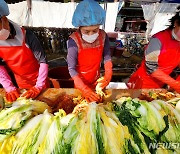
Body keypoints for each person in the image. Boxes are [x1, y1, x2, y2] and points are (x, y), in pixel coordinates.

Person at [0, 0, 49, 102]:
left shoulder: (26, 35)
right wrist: (9, 86)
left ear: (4, 19)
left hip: (39, 77)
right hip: (21, 80)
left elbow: (43, 61)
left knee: (45, 102)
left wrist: (39, 85)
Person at [67, 0, 113, 102]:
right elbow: (71, 68)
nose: (91, 34)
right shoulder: (73, 41)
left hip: (97, 80)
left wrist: (108, 73)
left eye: (95, 30)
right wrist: (84, 89)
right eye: (86, 31)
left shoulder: (103, 36)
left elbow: (107, 56)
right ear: (79, 27)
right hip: (80, 83)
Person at [127, 6, 180, 93]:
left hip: (160, 84)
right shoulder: (158, 39)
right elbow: (151, 68)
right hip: (142, 84)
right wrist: (174, 83)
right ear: (176, 23)